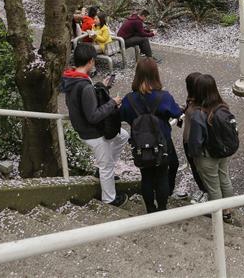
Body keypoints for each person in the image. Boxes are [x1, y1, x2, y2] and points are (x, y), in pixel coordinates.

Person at [60, 43, 129, 207]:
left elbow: (85, 101)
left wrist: (100, 86)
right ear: (90, 61)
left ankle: (106, 170)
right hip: (93, 133)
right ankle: (110, 199)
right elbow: (93, 116)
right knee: (105, 167)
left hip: (82, 127)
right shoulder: (84, 86)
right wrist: (113, 102)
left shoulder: (72, 78)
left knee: (123, 136)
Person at [120, 58, 183, 213]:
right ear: (156, 74)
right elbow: (176, 112)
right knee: (162, 175)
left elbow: (122, 115)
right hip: (162, 143)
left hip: (140, 145)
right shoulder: (164, 97)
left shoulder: (129, 99)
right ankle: (162, 208)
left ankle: (150, 209)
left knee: (146, 177)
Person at [185, 74, 235, 217]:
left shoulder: (198, 114)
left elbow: (195, 142)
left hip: (207, 157)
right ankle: (228, 209)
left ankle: (218, 214)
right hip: (223, 151)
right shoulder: (223, 107)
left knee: (213, 187)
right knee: (224, 178)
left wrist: (193, 156)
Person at [181, 72, 208, 203]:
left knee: (200, 168)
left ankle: (206, 191)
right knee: (195, 168)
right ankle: (203, 189)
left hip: (194, 142)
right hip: (188, 140)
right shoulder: (192, 101)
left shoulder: (201, 106)